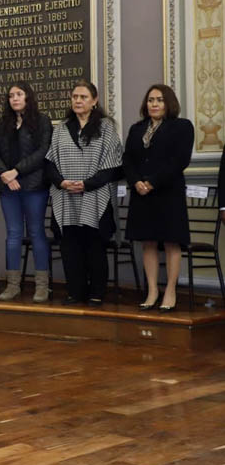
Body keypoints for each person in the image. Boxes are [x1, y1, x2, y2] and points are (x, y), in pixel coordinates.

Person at [45, 80, 122, 306]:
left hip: (95, 196)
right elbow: (49, 161)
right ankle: (75, 292)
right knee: (70, 247)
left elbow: (114, 163)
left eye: (83, 97)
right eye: (75, 97)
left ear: (94, 101)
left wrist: (87, 184)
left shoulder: (106, 127)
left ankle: (97, 292)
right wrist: (61, 182)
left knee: (94, 246)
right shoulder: (61, 128)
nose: (78, 101)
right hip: (66, 196)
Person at [123, 84, 193, 312]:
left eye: (159, 100)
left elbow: (180, 160)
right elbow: (128, 160)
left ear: (169, 103)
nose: (154, 104)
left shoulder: (182, 127)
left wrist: (153, 181)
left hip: (168, 192)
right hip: (141, 193)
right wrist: (136, 182)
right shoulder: (136, 128)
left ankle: (170, 291)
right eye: (151, 100)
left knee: (171, 241)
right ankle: (152, 290)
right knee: (148, 242)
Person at [0, 83, 53, 302]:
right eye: (11, 95)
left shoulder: (41, 121)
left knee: (36, 233)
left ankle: (42, 286)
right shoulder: (2, 123)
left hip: (34, 186)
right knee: (13, 235)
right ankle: (13, 284)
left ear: (28, 97)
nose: (14, 98)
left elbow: (43, 151)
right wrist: (5, 173)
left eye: (19, 94)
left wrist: (16, 171)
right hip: (8, 187)